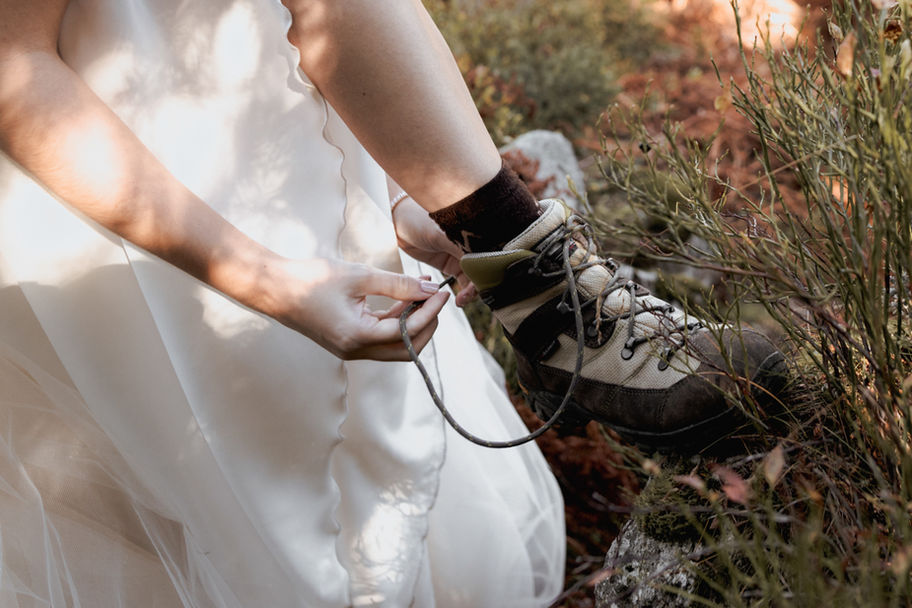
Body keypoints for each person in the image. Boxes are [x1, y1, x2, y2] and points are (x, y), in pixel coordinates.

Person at [0, 0, 784, 606]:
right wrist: (265, 278)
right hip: (132, 204)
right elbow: (13, 60)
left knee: (371, 505)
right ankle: (558, 310)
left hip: (285, 158)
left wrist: (417, 193)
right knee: (225, 524)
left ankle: (552, 298)